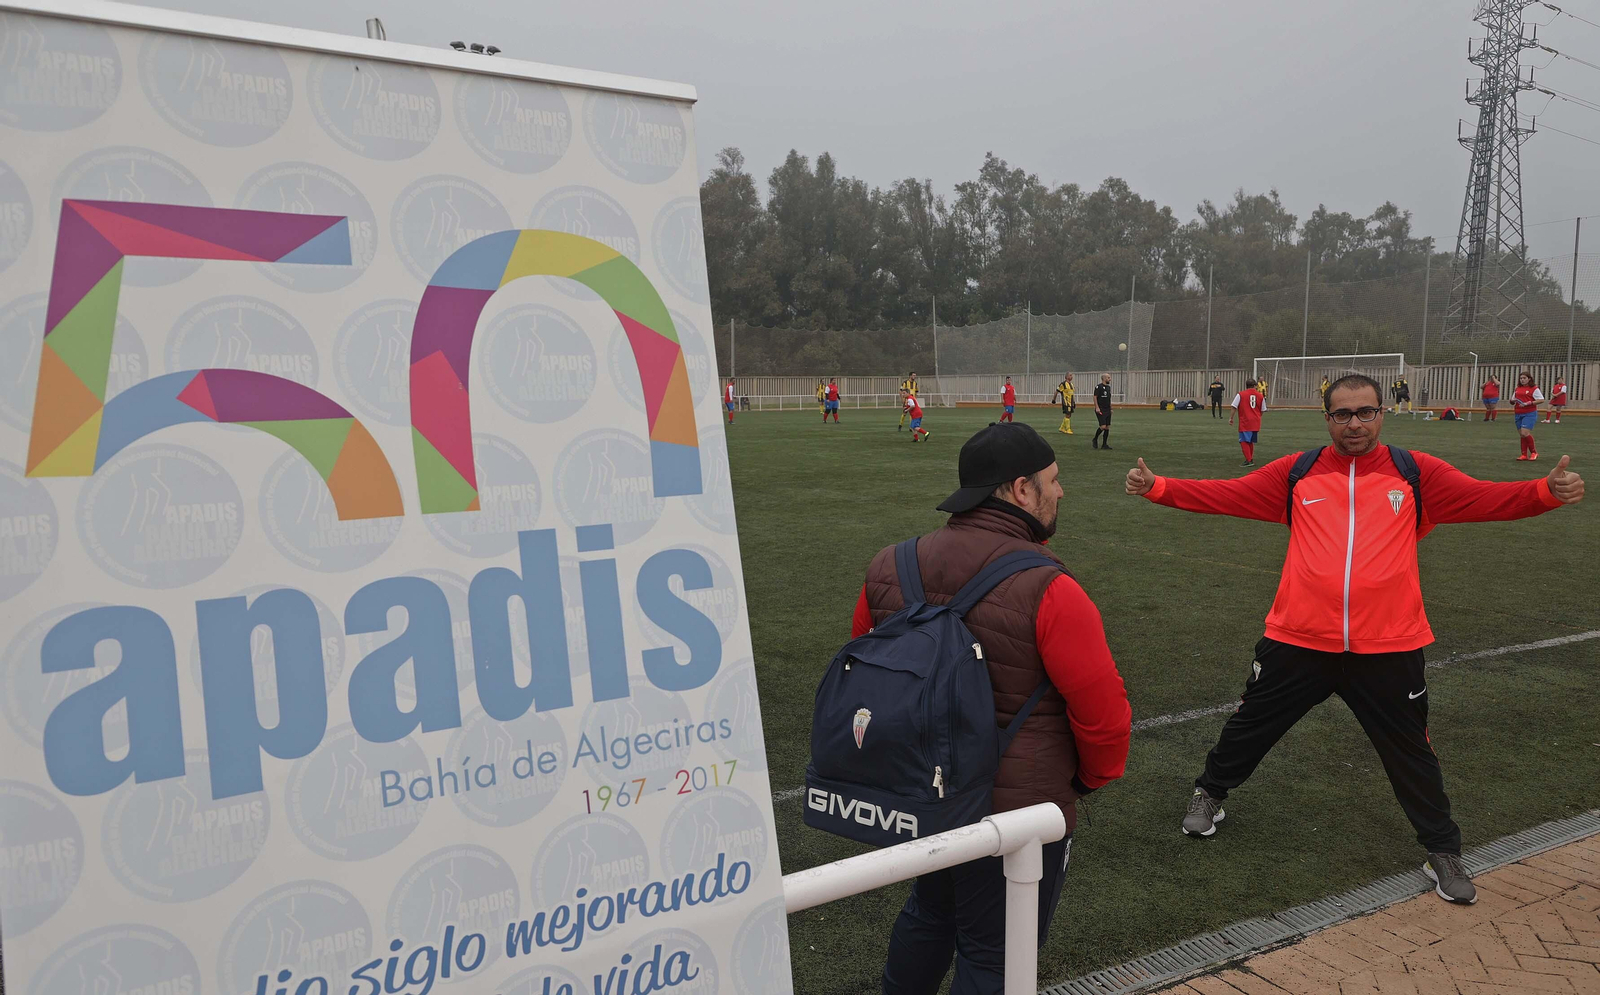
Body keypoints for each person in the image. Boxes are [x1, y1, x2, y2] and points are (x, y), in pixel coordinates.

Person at [1123, 374, 1584, 906]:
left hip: (1389, 646)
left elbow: (1482, 499)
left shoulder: (1414, 473)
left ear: (1381, 414)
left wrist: (1544, 493)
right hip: (1298, 638)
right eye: (1342, 414)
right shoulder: (1296, 472)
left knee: (1412, 751)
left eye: (1365, 413)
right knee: (1250, 724)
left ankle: (1442, 850)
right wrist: (1158, 487)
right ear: (1328, 419)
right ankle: (1210, 793)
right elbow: (1227, 494)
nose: (1354, 424)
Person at [856, 422, 1130, 994]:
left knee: (928, 914)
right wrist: (1084, 782)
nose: (1062, 491)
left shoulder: (888, 563)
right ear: (1020, 490)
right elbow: (1104, 714)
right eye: (1054, 480)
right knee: (997, 955)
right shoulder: (1050, 586)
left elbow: (865, 678)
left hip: (919, 792)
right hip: (1014, 814)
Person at [1229, 377, 1265, 466]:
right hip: (1256, 422)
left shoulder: (1240, 394)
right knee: (1250, 441)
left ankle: (1248, 460)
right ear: (1255, 386)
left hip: (1245, 421)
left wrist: (1231, 418)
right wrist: (1258, 416)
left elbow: (1234, 406)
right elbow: (1263, 409)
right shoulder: (1260, 395)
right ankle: (1250, 458)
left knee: (1243, 441)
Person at [1512, 371, 1544, 460]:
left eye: (1524, 378)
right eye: (1521, 378)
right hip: (1518, 413)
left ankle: (1534, 452)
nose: (1522, 380)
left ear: (1529, 379)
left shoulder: (1534, 388)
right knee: (1522, 435)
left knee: (1524, 433)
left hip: (1529, 413)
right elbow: (1513, 399)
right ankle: (1524, 455)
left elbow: (1541, 400)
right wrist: (1512, 401)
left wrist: (1529, 403)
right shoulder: (1517, 388)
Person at [1091, 373, 1113, 450]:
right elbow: (1095, 397)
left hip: (1107, 409)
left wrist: (1111, 408)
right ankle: (1095, 439)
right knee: (1103, 426)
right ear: (1104, 379)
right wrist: (1097, 407)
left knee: (1107, 427)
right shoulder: (1098, 387)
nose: (1110, 379)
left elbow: (1109, 399)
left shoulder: (1108, 388)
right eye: (1108, 377)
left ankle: (1104, 444)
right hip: (1101, 409)